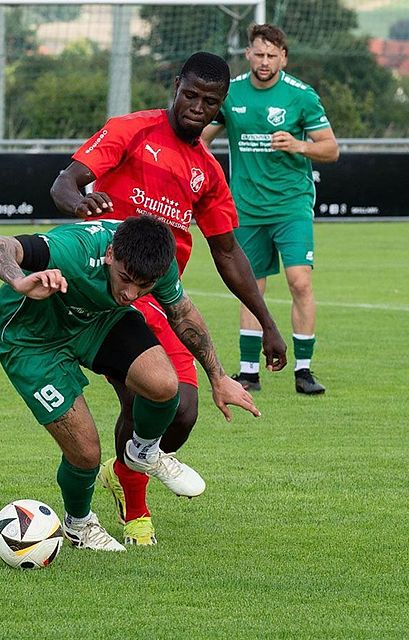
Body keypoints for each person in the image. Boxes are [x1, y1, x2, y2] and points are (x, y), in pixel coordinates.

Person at [50, 51, 285, 545]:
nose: (198, 107)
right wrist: (81, 202)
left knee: (181, 412)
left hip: (161, 298)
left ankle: (125, 470)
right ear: (176, 86)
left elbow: (228, 252)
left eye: (210, 101)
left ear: (220, 107)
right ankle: (129, 510)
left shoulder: (207, 172)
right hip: (108, 290)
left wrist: (265, 320)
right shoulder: (131, 129)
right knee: (140, 396)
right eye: (191, 94)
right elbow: (65, 182)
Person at [0, 215, 259, 551]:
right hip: (31, 341)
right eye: (125, 279)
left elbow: (182, 313)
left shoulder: (158, 265)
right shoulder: (75, 250)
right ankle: (79, 524)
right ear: (110, 253)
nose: (130, 293)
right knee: (85, 452)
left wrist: (219, 377)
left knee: (164, 385)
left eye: (143, 287)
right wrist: (19, 281)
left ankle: (143, 452)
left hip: (97, 321)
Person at [202, 24, 340, 395]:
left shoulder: (301, 96)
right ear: (248, 54)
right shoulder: (231, 94)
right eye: (259, 54)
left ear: (284, 57)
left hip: (291, 205)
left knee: (300, 281)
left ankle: (304, 370)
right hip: (245, 208)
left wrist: (299, 146)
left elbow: (330, 148)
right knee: (251, 288)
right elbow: (200, 140)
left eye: (272, 55)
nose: (265, 62)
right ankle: (248, 372)